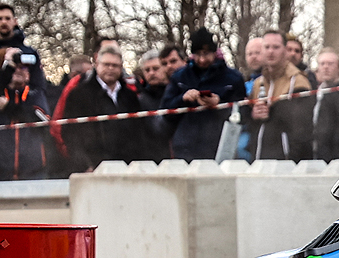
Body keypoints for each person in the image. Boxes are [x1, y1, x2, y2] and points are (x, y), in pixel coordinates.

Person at [0, 49, 54, 181]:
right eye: (15, 66)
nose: (19, 70)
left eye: (24, 66)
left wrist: (8, 107)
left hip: (33, 173)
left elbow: (43, 120)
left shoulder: (35, 93)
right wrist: (8, 66)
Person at [163, 28, 247, 161]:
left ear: (214, 53)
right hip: (185, 149)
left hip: (219, 148)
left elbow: (243, 113)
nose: (202, 59)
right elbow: (165, 111)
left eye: (206, 53)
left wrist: (220, 103)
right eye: (197, 54)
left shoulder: (233, 78)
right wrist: (183, 98)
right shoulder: (179, 77)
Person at [56, 45, 142, 173]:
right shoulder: (79, 94)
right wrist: (84, 165)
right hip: (93, 168)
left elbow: (138, 133)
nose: (110, 68)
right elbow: (70, 133)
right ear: (97, 64)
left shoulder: (129, 96)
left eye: (115, 65)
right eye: (106, 64)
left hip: (126, 168)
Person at [245, 32, 312, 163]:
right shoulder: (258, 83)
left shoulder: (298, 81)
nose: (270, 52)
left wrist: (273, 111)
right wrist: (253, 115)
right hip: (259, 158)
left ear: (285, 51)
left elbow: (302, 127)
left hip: (287, 161)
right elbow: (250, 124)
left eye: (276, 47)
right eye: (267, 47)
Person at [0, 3, 45, 91]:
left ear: (15, 21)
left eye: (7, 18)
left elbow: (38, 86)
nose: (4, 22)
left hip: (22, 102)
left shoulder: (30, 53)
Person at [133, 48, 175, 162]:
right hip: (151, 159)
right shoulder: (138, 100)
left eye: (156, 68)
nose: (151, 73)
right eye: (147, 70)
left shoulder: (176, 94)